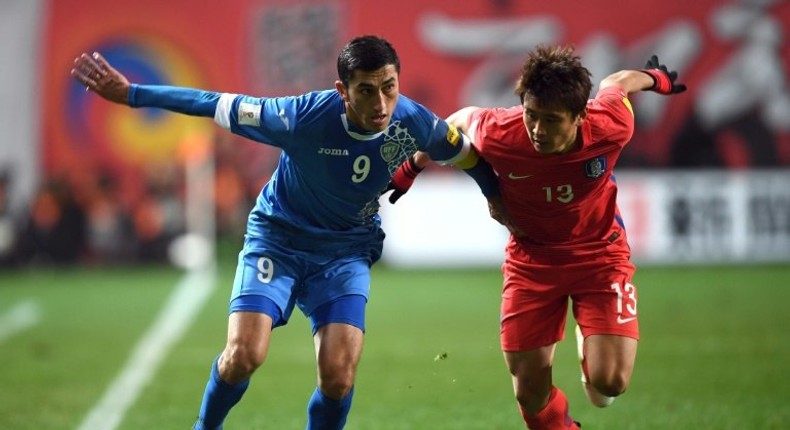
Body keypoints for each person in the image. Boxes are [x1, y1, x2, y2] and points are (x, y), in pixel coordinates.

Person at [71, 35, 506, 429]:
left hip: (344, 251)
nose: (381, 103)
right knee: (244, 356)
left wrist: (498, 199)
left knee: (338, 376)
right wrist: (132, 94)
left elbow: (465, 154)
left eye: (389, 87)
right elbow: (212, 102)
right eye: (366, 90)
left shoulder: (414, 121)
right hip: (278, 241)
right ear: (343, 91)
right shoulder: (299, 117)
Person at [388, 46, 686, 429]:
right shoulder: (502, 131)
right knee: (529, 391)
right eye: (531, 114)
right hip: (532, 262)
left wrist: (656, 80)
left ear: (580, 116)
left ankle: (589, 339)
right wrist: (415, 164)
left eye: (551, 120)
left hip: (599, 256)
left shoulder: (611, 125)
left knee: (608, 386)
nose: (538, 130)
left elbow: (617, 83)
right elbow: (457, 123)